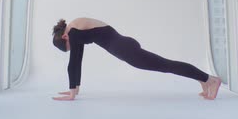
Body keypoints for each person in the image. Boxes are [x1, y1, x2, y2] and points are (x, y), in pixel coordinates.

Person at [51, 17, 222, 101]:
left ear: (65, 38)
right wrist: (76, 89)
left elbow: (73, 62)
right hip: (125, 47)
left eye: (69, 47)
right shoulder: (74, 30)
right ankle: (204, 80)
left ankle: (210, 80)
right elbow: (78, 59)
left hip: (126, 50)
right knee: (165, 65)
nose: (72, 47)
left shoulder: (73, 32)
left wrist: (72, 93)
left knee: (166, 65)